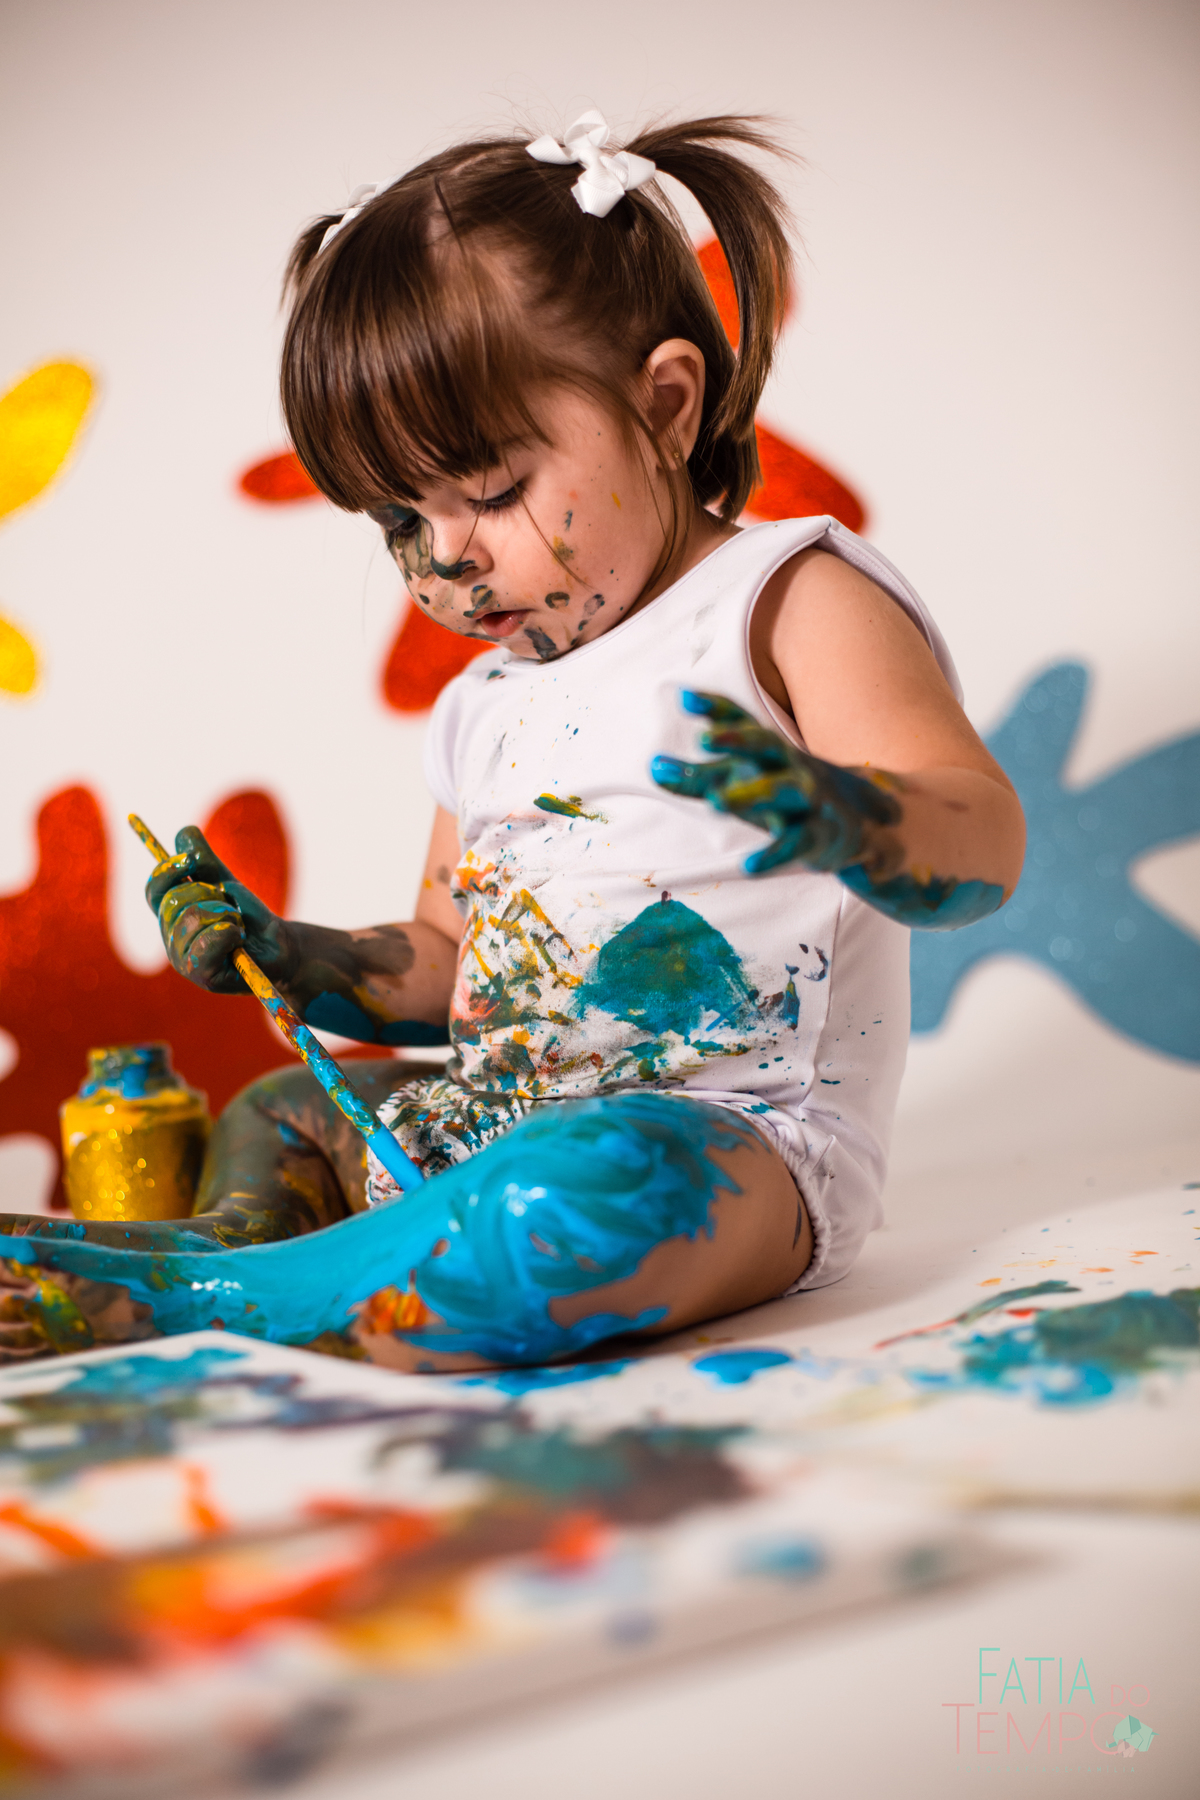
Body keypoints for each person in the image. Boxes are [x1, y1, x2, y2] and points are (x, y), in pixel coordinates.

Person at [0, 113, 1024, 1372]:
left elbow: (984, 844)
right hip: (487, 1125)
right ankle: (244, 1246)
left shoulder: (785, 601)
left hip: (724, 1149)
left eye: (487, 493)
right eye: (397, 520)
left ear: (664, 404)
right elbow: (444, 965)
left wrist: (847, 817)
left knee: (578, 1189)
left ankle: (205, 1294)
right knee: (288, 1106)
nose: (445, 558)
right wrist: (285, 952)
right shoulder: (484, 702)